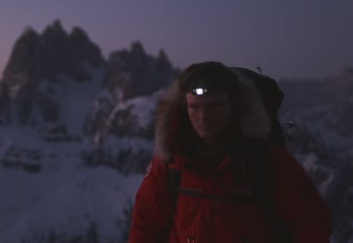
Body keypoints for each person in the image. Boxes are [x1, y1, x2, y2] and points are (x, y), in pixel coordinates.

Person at [129, 62, 333, 243]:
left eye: (213, 106)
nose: (203, 116)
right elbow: (146, 223)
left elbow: (310, 226)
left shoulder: (268, 162)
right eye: (195, 107)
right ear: (184, 108)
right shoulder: (169, 162)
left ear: (233, 106)